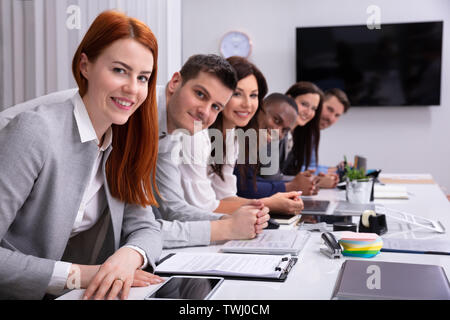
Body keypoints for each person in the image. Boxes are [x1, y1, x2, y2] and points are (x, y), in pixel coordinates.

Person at [0, 11, 163, 300]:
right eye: (119, 70)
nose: (133, 89)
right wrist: (82, 275)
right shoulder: (35, 131)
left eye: (143, 78)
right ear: (85, 65)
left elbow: (147, 226)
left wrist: (128, 257)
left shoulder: (122, 142)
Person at [153, 54, 270, 247]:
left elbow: (172, 207)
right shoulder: (192, 132)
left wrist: (229, 221)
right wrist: (228, 226)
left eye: (216, 106)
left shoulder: (174, 131)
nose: (205, 112)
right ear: (175, 82)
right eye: (200, 94)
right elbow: (136, 228)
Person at [177, 56, 304, 215]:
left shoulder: (232, 139)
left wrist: (272, 202)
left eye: (253, 95)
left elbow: (226, 196)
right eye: (237, 94)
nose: (247, 104)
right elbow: (203, 207)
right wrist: (268, 204)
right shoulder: (195, 135)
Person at [234, 92, 319, 199]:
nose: (277, 132)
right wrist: (292, 186)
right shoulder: (238, 136)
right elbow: (245, 188)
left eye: (285, 130)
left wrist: (300, 182)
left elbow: (253, 180)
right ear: (260, 109)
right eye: (276, 120)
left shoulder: (255, 140)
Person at [281, 81, 338, 190]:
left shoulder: (297, 134)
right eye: (304, 104)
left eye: (313, 109)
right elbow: (270, 179)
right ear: (289, 99)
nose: (308, 112)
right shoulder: (274, 134)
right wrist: (316, 181)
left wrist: (314, 179)